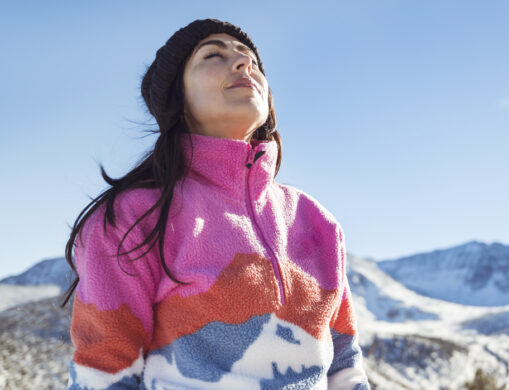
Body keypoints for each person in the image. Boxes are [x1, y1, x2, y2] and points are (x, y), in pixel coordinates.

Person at [61, 18, 370, 390]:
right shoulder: (132, 216)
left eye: (251, 60)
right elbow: (104, 369)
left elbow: (344, 364)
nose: (244, 65)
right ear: (178, 97)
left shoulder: (315, 221)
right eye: (214, 55)